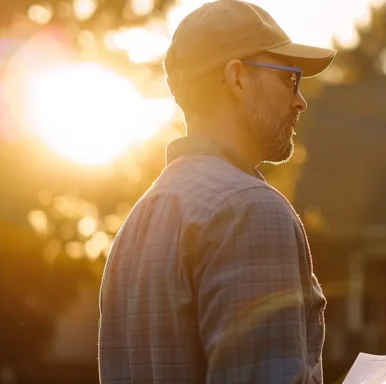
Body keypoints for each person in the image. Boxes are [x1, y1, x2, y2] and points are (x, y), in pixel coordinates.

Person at [97, 1, 336, 383]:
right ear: (238, 77)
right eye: (289, 78)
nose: (300, 100)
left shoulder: (138, 223)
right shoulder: (251, 210)